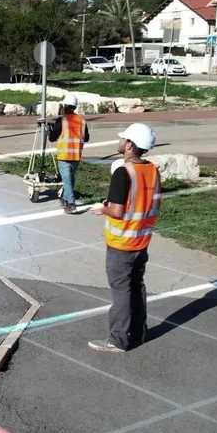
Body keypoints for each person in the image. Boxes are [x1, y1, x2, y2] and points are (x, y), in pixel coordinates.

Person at [90, 123, 160, 353]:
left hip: (122, 243)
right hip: (142, 240)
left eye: (122, 139)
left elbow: (118, 212)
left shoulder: (123, 172)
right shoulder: (152, 170)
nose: (119, 142)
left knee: (121, 290)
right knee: (137, 286)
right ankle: (138, 333)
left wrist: (102, 209)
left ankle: (118, 340)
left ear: (129, 144)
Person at [47, 94, 88, 214]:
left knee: (67, 180)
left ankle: (71, 204)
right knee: (70, 179)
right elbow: (86, 138)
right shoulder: (82, 121)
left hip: (64, 156)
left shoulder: (62, 120)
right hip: (76, 155)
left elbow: (52, 137)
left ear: (65, 106)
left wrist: (51, 130)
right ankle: (64, 200)